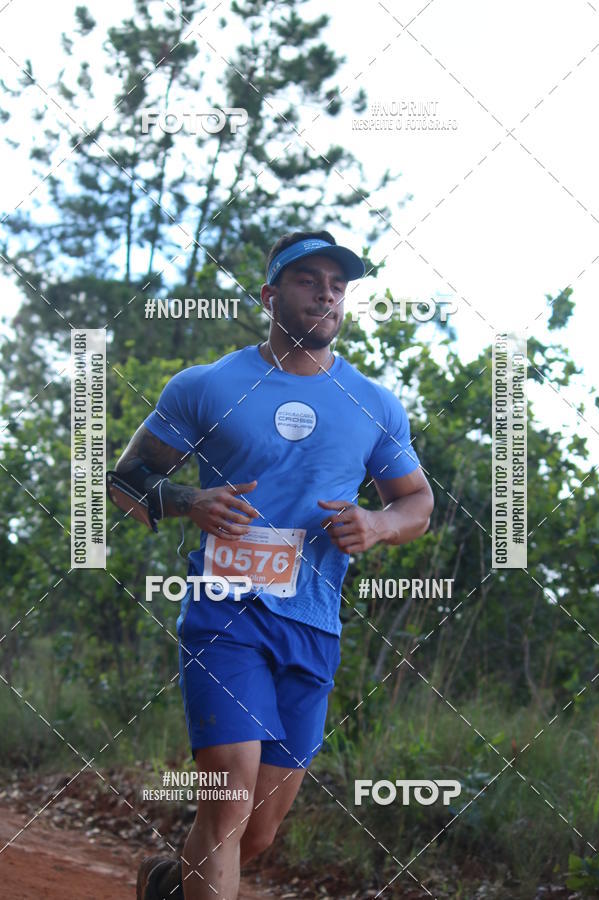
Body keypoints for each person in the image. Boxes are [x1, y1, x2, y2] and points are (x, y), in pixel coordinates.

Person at [115, 230, 434, 900]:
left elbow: (416, 504)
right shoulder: (207, 386)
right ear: (269, 295)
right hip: (224, 613)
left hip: (312, 627)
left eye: (337, 285)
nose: (325, 294)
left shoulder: (373, 404)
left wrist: (376, 524)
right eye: (307, 280)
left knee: (255, 833)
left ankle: (167, 885)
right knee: (226, 807)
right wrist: (189, 501)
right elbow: (124, 481)